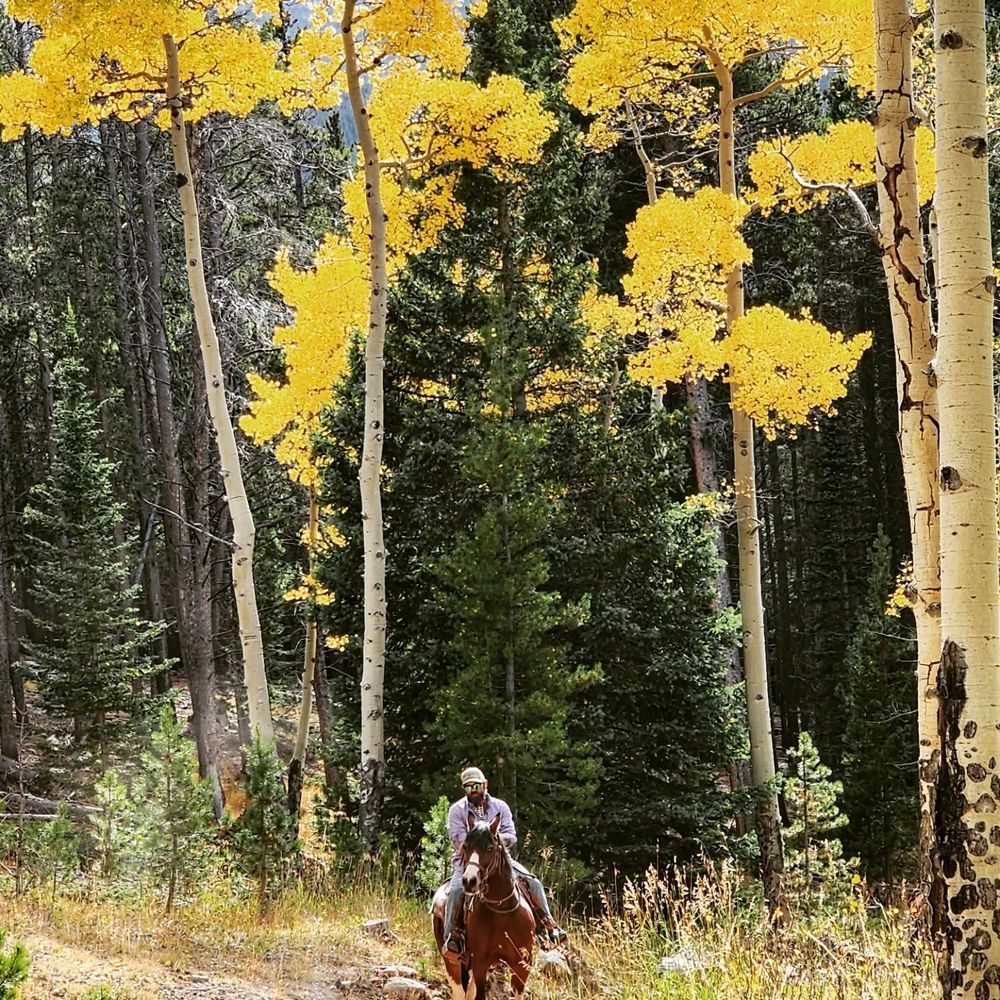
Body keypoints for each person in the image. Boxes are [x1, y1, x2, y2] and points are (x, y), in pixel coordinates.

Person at [442, 766, 567, 955]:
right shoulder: (457, 810)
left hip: (500, 861)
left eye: (476, 786)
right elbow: (458, 840)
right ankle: (452, 936)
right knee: (457, 890)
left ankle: (549, 925)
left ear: (485, 784)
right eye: (468, 788)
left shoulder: (500, 807)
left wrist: (496, 840)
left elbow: (511, 834)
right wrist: (479, 842)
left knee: (533, 883)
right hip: (468, 862)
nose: (472, 791)